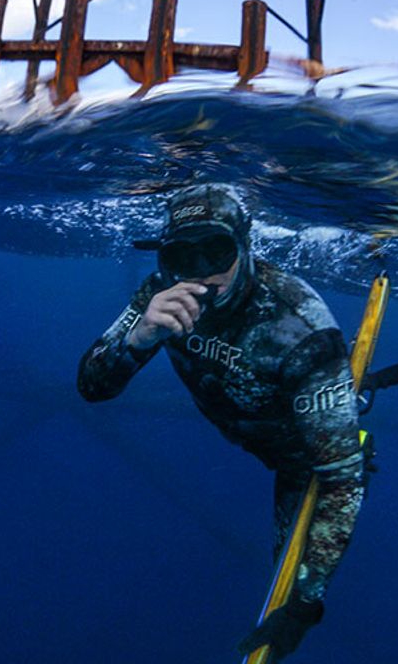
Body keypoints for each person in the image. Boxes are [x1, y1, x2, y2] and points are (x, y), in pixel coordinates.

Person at [77, 183, 364, 660]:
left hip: (299, 459)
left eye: (217, 250)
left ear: (245, 247)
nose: (203, 273)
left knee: (290, 585)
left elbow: (340, 479)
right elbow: (92, 387)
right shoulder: (159, 294)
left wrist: (305, 605)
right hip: (240, 428)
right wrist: (138, 338)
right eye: (183, 256)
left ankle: (347, 412)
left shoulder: (299, 326)